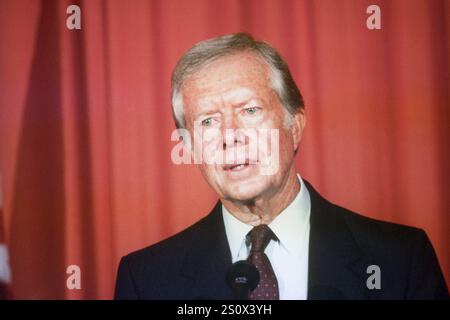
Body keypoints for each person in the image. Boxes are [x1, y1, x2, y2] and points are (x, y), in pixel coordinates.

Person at [114, 33, 448, 300]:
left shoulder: (400, 260)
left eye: (249, 111)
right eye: (208, 121)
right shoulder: (146, 280)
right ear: (189, 146)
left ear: (295, 125)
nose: (230, 136)